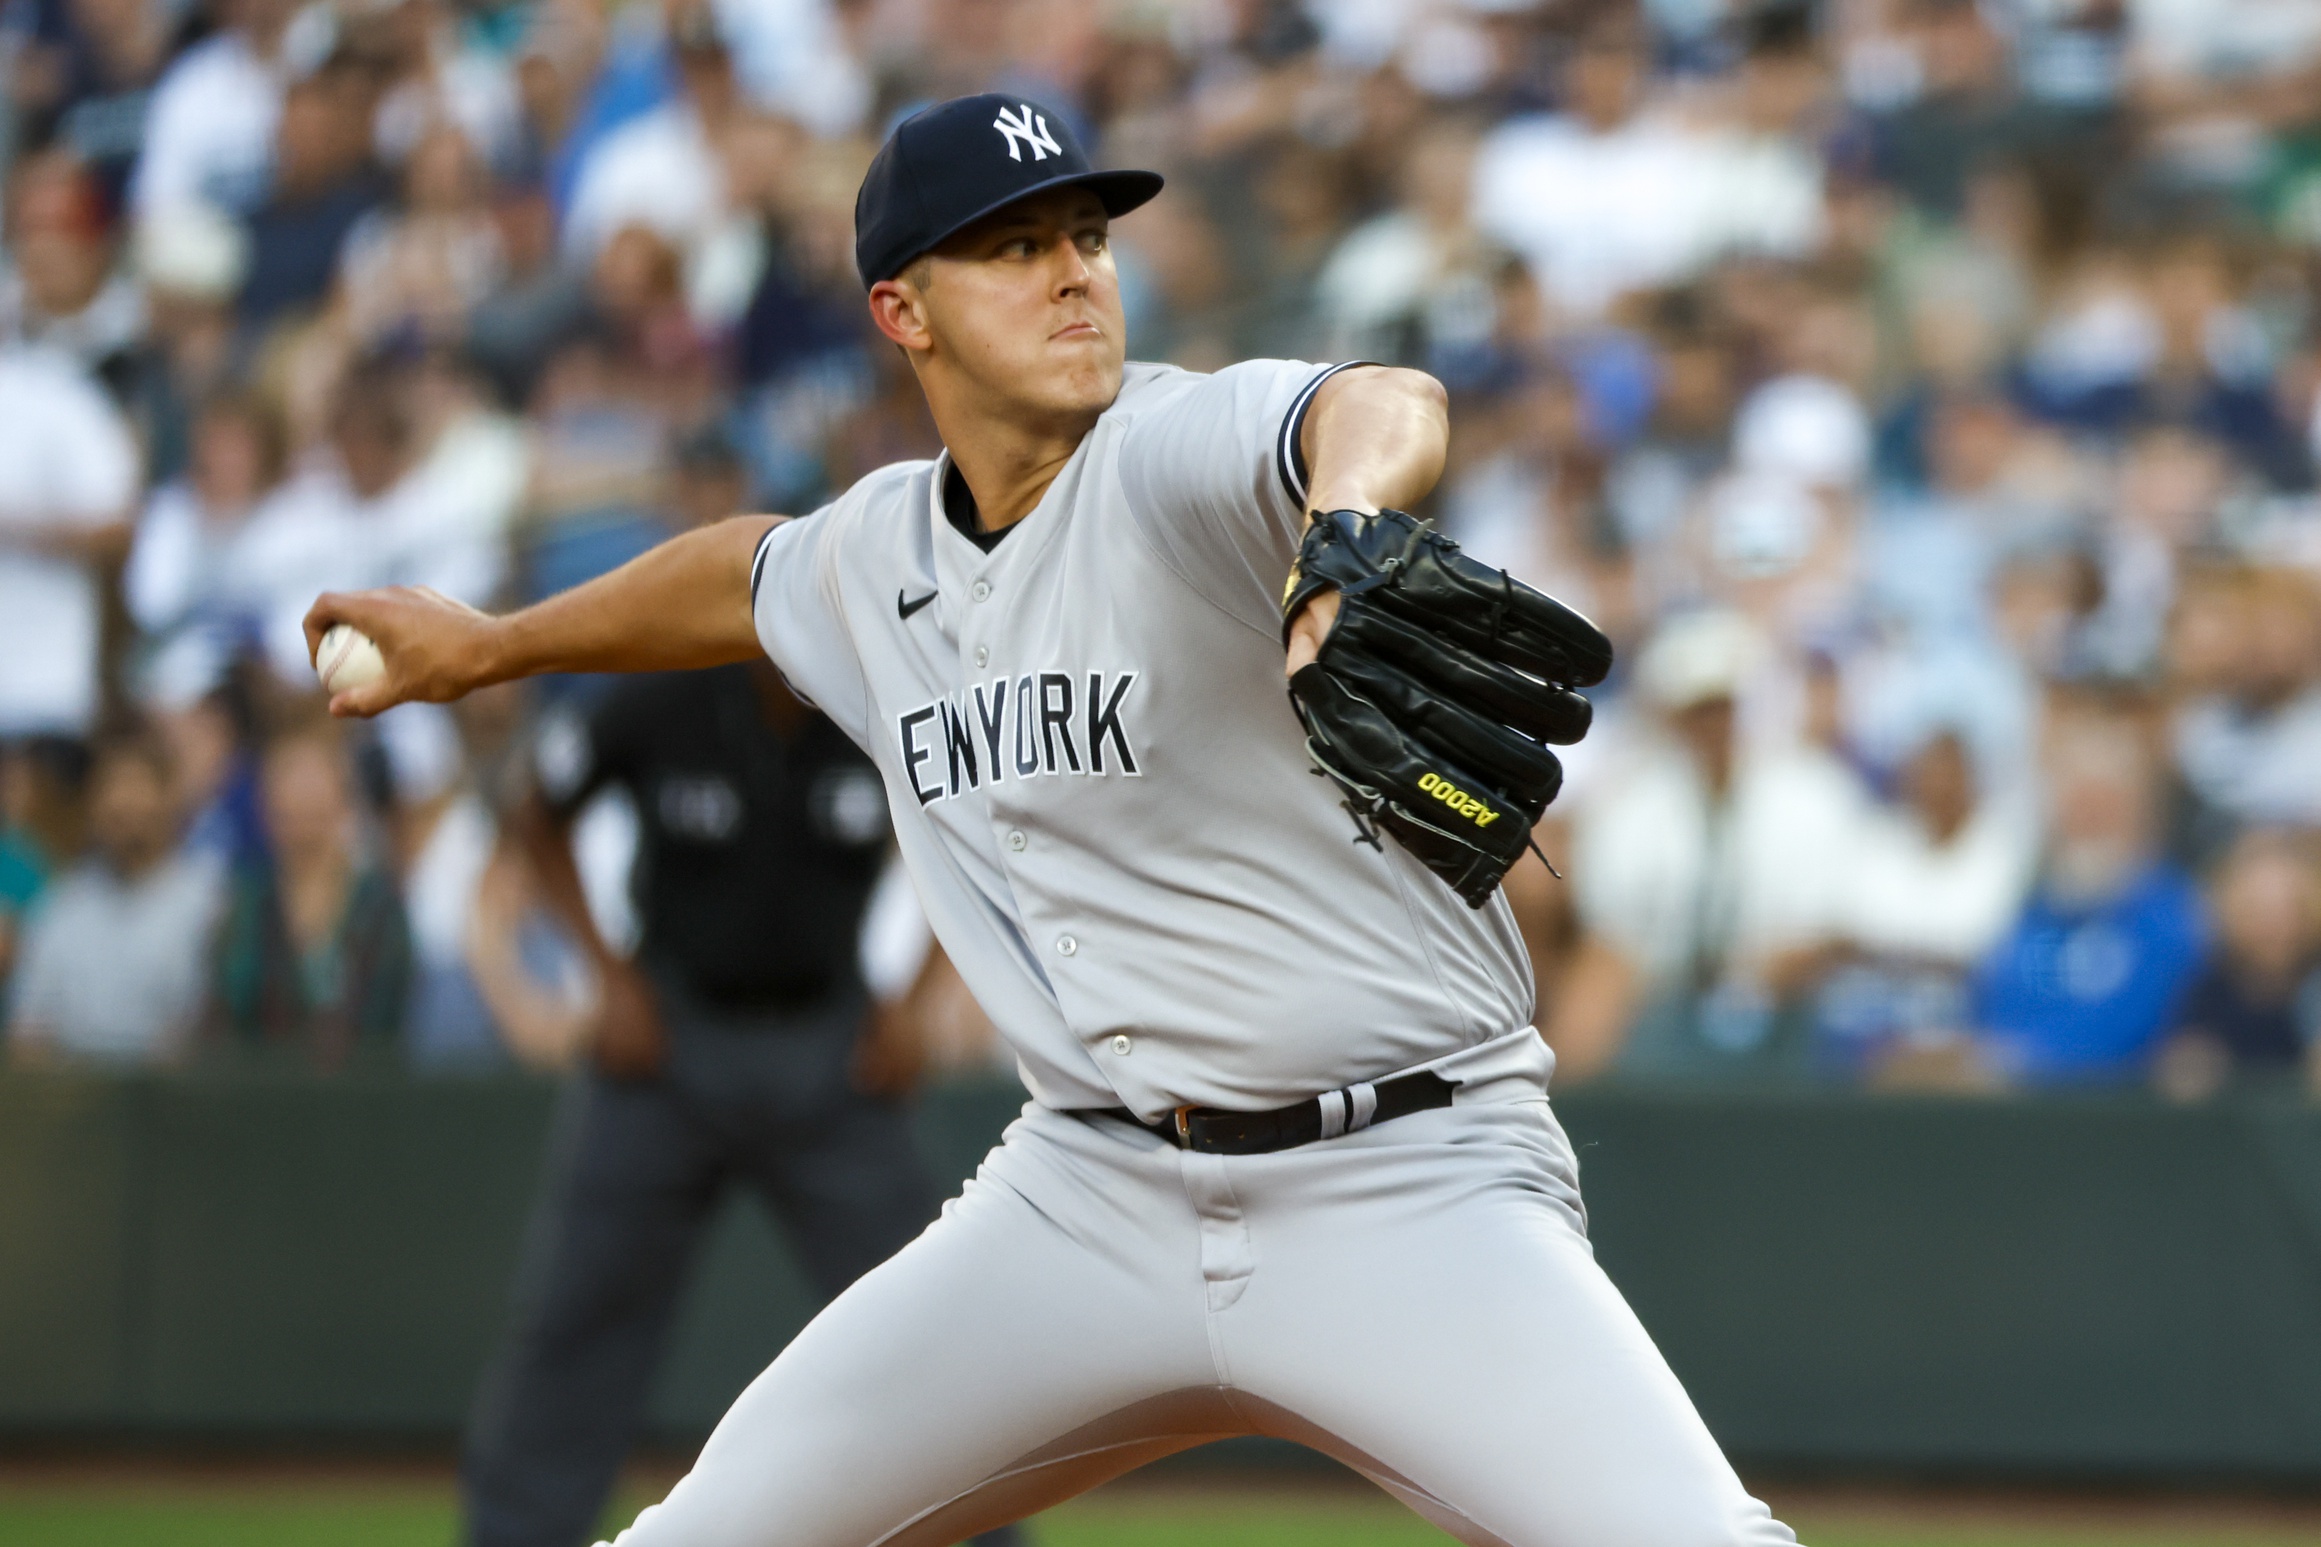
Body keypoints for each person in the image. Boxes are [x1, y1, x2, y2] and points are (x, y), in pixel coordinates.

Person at [308, 94, 1799, 1547]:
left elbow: (1382, 400)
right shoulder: (877, 553)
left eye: (1087, 234)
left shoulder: (1172, 454)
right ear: (902, 310)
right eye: (1014, 247)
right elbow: (737, 574)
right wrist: (493, 643)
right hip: (1090, 1196)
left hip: (1403, 1174)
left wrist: (1346, 527)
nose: (1075, 270)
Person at [456, 444, 1007, 1547]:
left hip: (830, 1046)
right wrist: (607, 977)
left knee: (930, 1323)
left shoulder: (886, 688)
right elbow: (534, 809)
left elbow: (983, 827)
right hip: (671, 1041)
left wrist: (916, 999)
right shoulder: (662, 692)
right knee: (577, 1314)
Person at [8, 727, 222, 1065]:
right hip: (73, 1089)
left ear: (171, 796)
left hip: (175, 1091)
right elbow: (28, 1027)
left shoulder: (212, 899)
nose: (124, 802)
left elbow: (211, 1032)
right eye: (111, 787)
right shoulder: (63, 903)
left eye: (139, 784)